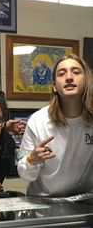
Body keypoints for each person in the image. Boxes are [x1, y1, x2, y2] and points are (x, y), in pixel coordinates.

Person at [17, 54, 93, 198]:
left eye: (76, 72)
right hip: (45, 203)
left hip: (84, 202)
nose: (69, 77)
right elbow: (26, 175)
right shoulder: (38, 121)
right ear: (54, 86)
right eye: (62, 73)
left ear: (86, 81)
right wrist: (31, 160)